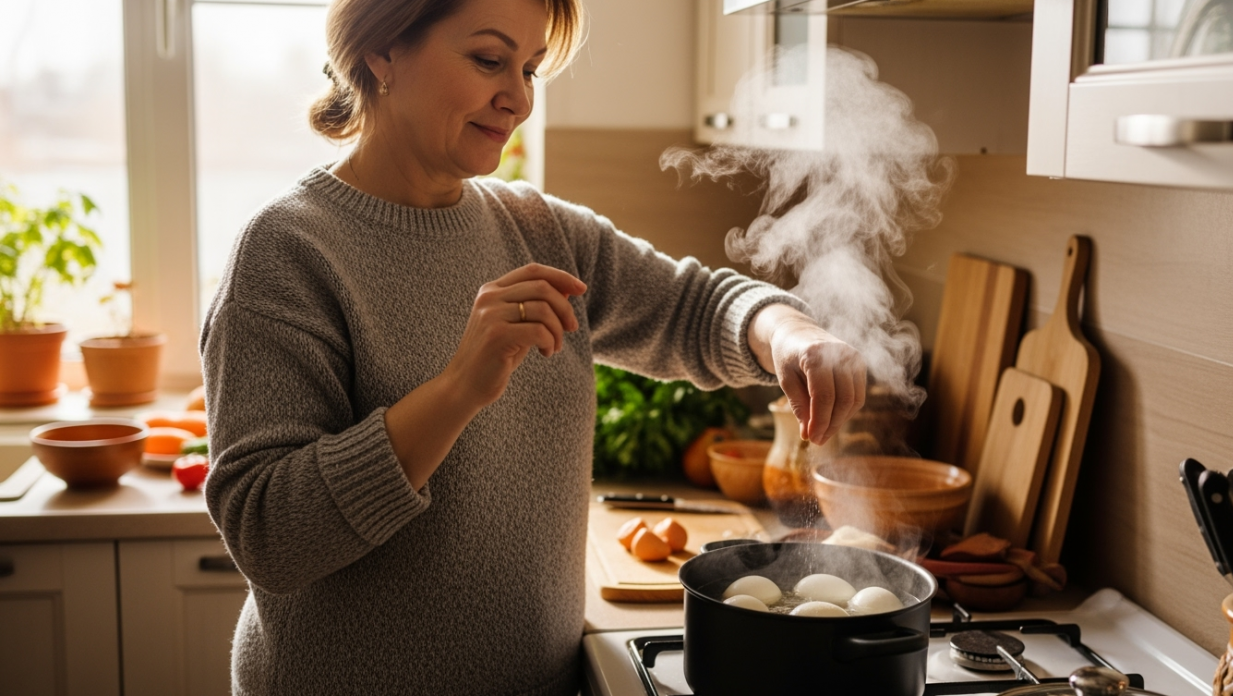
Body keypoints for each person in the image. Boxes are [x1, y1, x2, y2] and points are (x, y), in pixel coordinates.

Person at [201, 0, 870, 693]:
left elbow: (694, 308)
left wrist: (793, 334)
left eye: (530, 68)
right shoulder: (287, 251)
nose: (518, 97)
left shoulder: (538, 229)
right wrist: (458, 388)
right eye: (490, 60)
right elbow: (268, 536)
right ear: (381, 51)